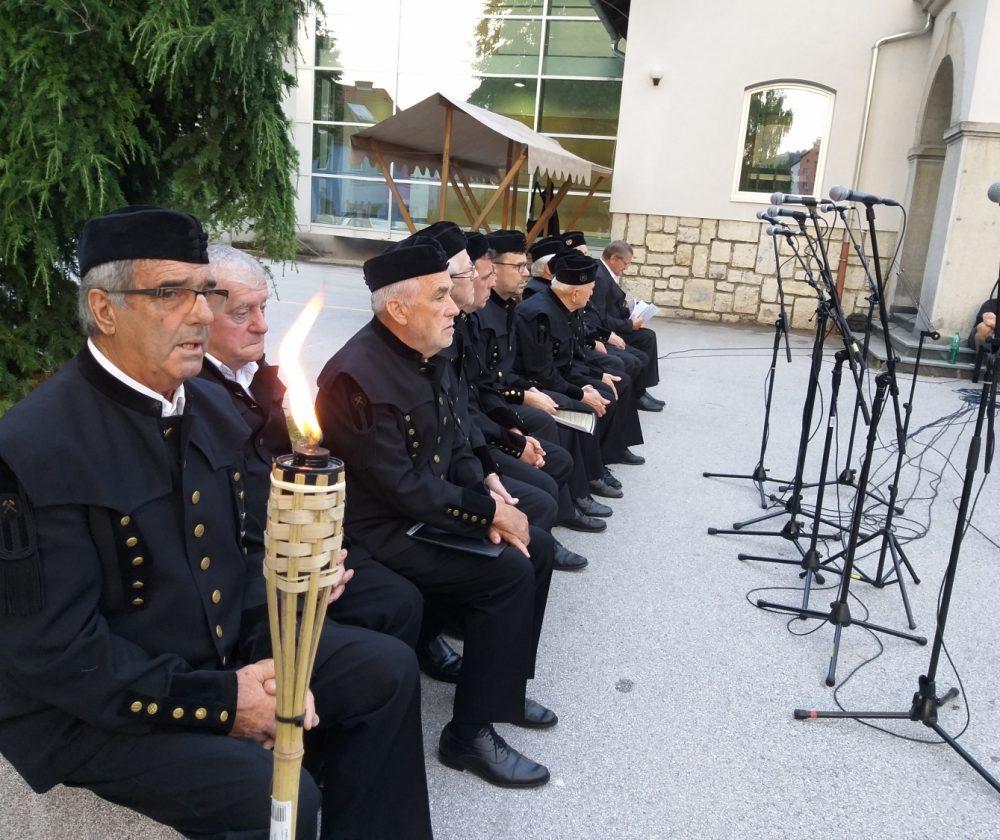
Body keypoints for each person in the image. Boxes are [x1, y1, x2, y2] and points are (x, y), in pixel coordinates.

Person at [0, 206, 431, 840]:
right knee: (267, 795)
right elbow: (57, 655)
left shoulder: (208, 404)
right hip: (99, 704)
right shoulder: (34, 447)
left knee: (384, 671)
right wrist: (224, 702)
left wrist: (296, 577)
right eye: (170, 293)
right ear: (104, 309)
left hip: (218, 647)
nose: (201, 313)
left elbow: (236, 554)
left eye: (203, 291)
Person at [314, 235, 557, 789]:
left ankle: (501, 688)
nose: (454, 307)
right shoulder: (355, 376)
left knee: (536, 545)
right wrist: (484, 515)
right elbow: (399, 486)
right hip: (378, 528)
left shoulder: (430, 350)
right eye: (440, 296)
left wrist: (491, 497)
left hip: (424, 509)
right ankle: (467, 736)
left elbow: (455, 438)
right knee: (507, 572)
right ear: (398, 309)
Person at [200, 243, 425, 646]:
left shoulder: (256, 374)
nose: (262, 325)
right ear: (199, 316)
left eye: (263, 307)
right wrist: (299, 566)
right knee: (382, 658)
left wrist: (320, 549)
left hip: (304, 540)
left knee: (398, 601)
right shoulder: (193, 395)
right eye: (242, 312)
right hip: (256, 569)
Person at [476, 229, 622, 508]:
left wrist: (586, 382)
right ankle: (573, 498)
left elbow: (566, 358)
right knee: (560, 412)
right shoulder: (521, 312)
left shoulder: (506, 308)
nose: (525, 273)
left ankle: (586, 481)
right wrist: (527, 394)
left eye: (525, 266)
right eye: (519, 266)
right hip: (500, 397)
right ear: (493, 269)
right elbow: (497, 378)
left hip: (513, 388)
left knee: (596, 393)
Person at [516, 250, 646, 468]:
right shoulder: (539, 315)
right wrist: (581, 392)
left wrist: (598, 375)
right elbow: (542, 372)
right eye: (590, 288)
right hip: (538, 384)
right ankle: (593, 471)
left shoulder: (570, 306)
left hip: (564, 373)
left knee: (617, 383)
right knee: (593, 406)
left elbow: (575, 356)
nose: (593, 292)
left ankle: (612, 451)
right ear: (575, 292)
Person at [591, 238, 665, 412]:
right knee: (646, 339)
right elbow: (601, 317)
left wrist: (632, 314)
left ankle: (641, 389)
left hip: (615, 325)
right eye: (625, 263)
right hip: (606, 332)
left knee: (648, 336)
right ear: (613, 258)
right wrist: (629, 325)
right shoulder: (600, 277)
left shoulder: (606, 272)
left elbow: (612, 307)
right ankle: (638, 394)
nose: (626, 268)